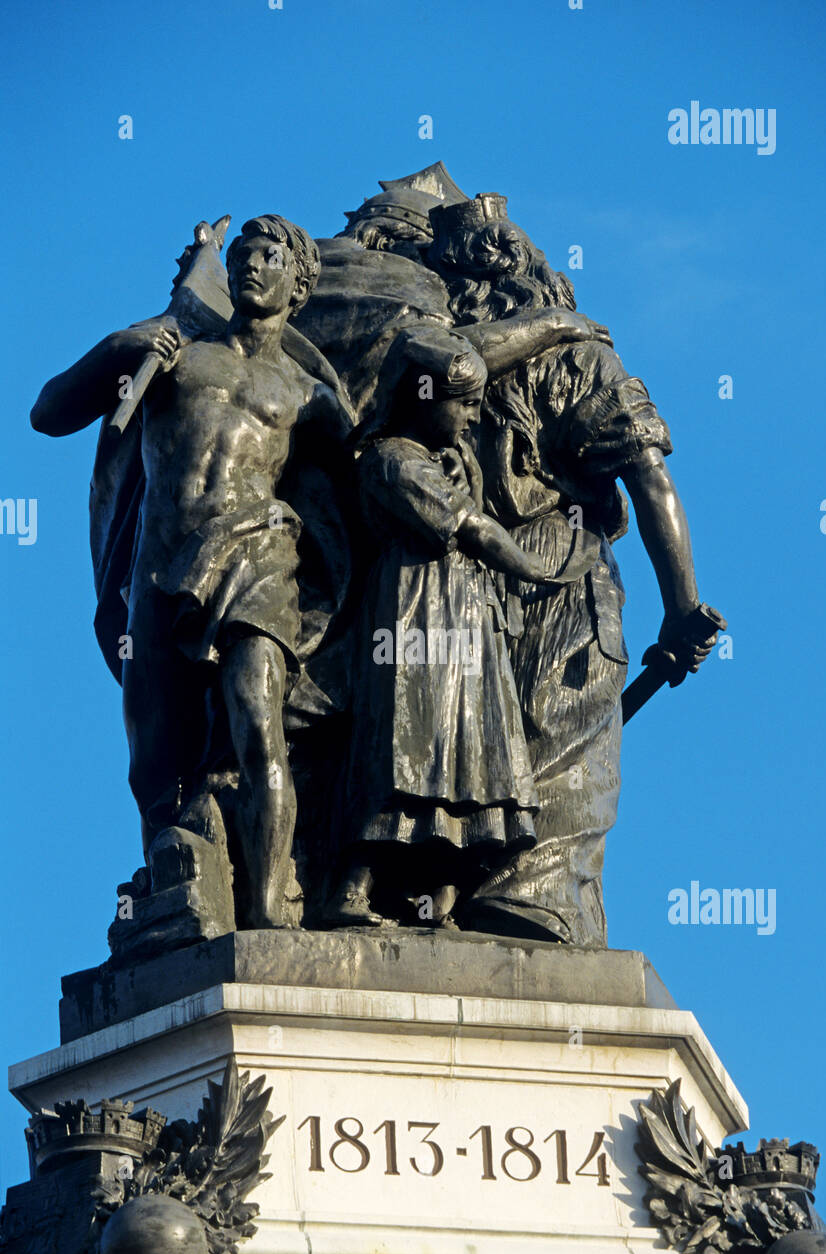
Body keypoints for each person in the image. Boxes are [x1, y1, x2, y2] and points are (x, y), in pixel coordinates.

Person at [31, 215, 352, 931]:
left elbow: (366, 486)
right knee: (154, 761)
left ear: (298, 282)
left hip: (259, 559)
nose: (251, 265)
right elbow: (47, 412)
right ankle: (174, 902)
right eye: (241, 253)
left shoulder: (309, 395)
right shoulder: (176, 355)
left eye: (269, 256)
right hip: (164, 567)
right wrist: (122, 346)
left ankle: (269, 911)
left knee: (256, 723)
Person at [425, 195, 720, 945]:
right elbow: (649, 480)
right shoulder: (583, 356)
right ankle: (537, 903)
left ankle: (460, 891)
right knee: (568, 746)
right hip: (566, 583)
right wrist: (681, 605)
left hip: (466, 592)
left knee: (486, 750)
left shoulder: (435, 370)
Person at [326, 328, 562, 929]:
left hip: (463, 610)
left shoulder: (442, 459)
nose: (474, 416)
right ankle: (350, 890)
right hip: (414, 610)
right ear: (424, 397)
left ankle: (442, 899)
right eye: (464, 403)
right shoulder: (392, 460)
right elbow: (471, 529)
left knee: (467, 751)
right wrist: (539, 570)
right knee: (406, 748)